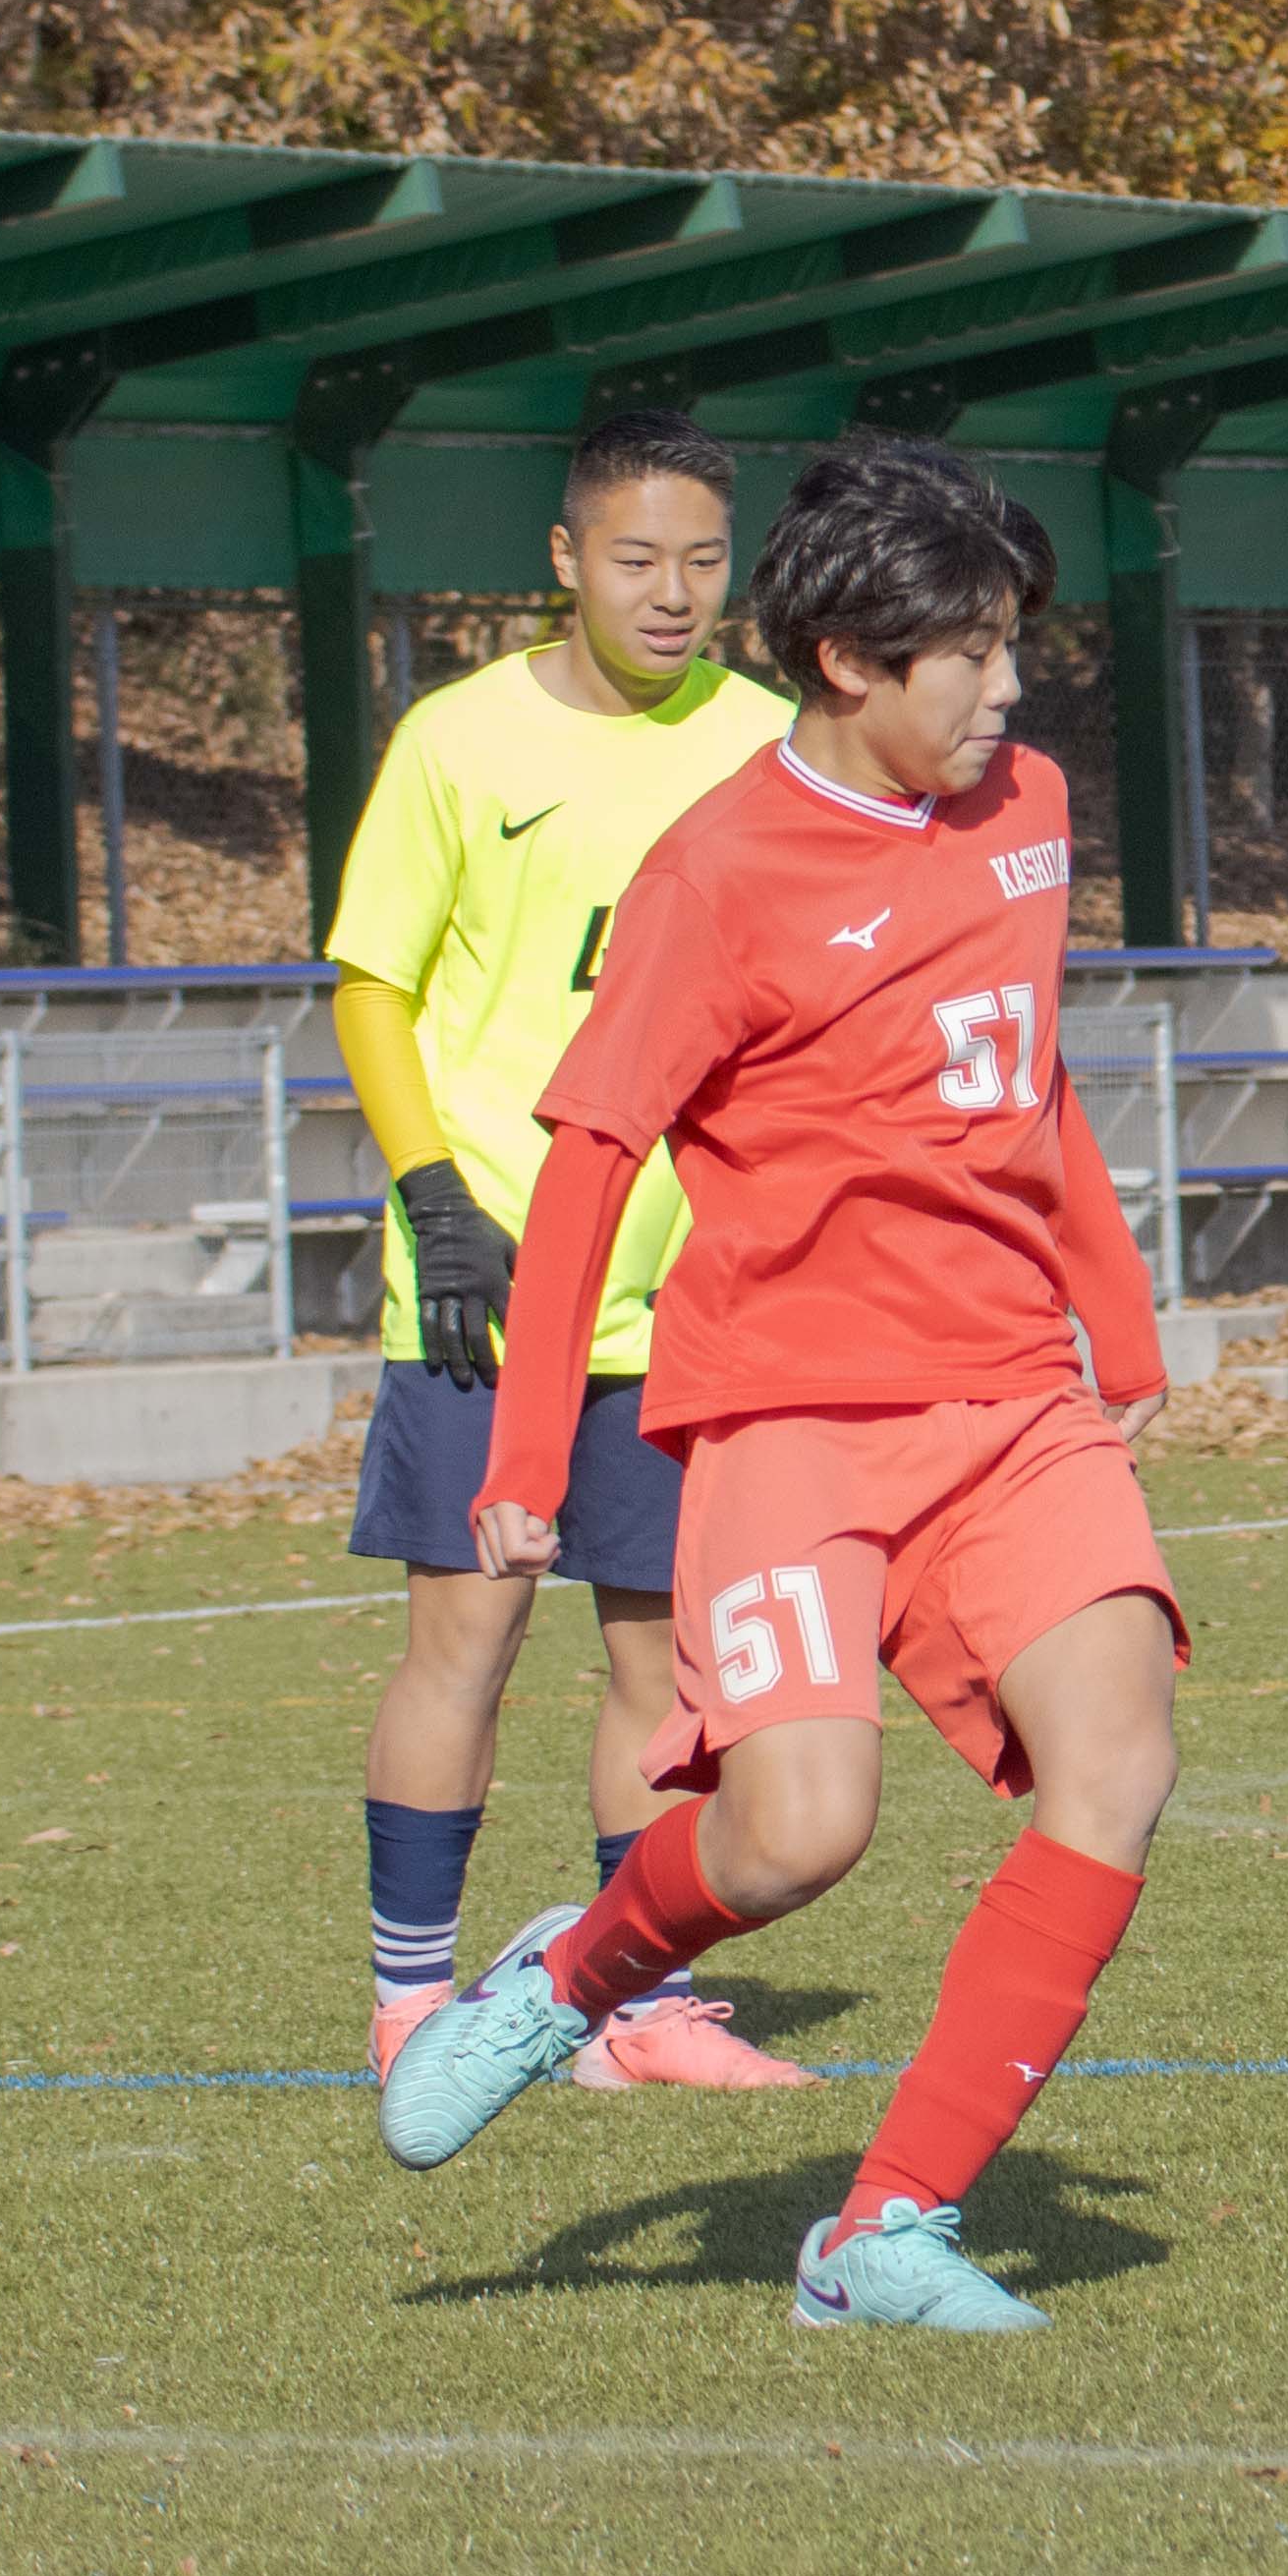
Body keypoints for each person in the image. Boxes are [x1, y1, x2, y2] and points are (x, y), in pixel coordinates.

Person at [375, 438, 1182, 2333]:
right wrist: (522, 1455)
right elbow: (589, 1158)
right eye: (968, 660)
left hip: (1009, 1402)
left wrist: (1117, 1322)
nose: (1008, 694)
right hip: (793, 1419)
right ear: (845, 663)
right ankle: (568, 1978)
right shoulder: (718, 871)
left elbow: (1033, 1074)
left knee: (1121, 1758)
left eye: (1013, 651)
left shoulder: (1032, 807)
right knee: (798, 1832)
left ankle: (883, 2231)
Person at [330, 407, 807, 2095]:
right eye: (636, 560)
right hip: (490, 1278)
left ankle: (631, 2004)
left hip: (692, 1293)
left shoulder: (772, 745)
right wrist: (432, 1198)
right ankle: (410, 1999)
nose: (673, 594)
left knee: (661, 1664)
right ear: (565, 560)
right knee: (470, 1632)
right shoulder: (460, 742)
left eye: (700, 562)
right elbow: (372, 985)